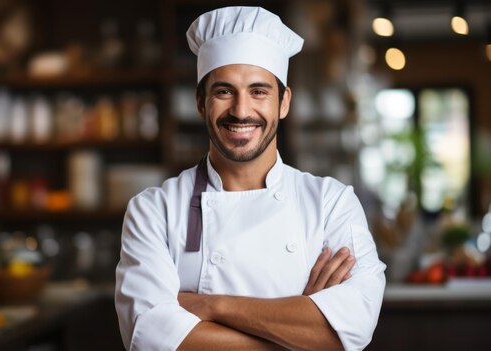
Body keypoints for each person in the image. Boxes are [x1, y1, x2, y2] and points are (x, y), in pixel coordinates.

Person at [115, 6, 386, 351]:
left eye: (259, 91)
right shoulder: (154, 210)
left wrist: (213, 306)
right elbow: (150, 337)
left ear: (284, 102)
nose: (241, 111)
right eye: (224, 91)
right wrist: (297, 334)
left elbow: (354, 327)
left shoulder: (331, 203)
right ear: (201, 102)